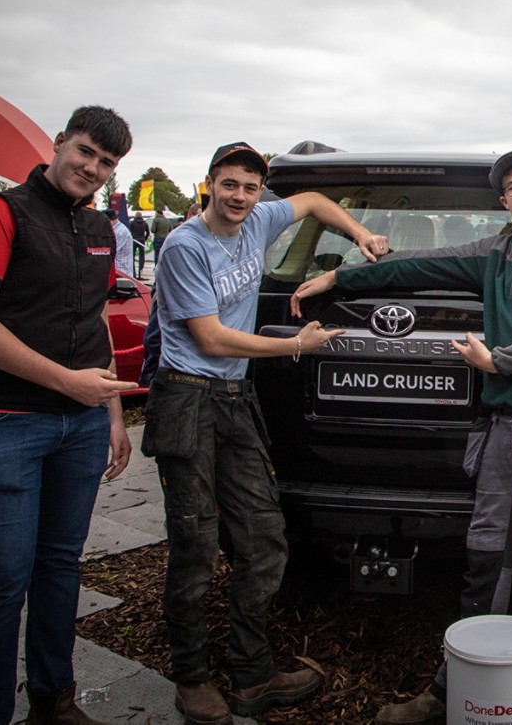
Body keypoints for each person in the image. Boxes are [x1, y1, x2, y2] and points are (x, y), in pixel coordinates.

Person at [292, 149, 512, 725]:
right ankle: (449, 690)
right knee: (485, 562)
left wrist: (500, 361)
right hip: (500, 432)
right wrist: (341, 274)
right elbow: (419, 264)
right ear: (503, 201)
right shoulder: (496, 251)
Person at [144, 142, 388, 723]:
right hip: (188, 398)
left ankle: (253, 674)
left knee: (263, 538)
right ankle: (193, 676)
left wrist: (359, 234)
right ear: (209, 184)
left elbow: (313, 201)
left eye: (250, 188)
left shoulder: (260, 219)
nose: (239, 197)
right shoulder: (185, 247)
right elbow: (210, 338)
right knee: (196, 544)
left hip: (233, 400)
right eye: (229, 185)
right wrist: (294, 346)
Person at [0, 106, 137, 725]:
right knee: (2, 582)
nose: (93, 168)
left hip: (80, 427)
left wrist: (107, 408)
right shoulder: (0, 212)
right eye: (85, 152)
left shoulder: (101, 229)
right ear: (59, 143)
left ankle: (54, 701)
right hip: (2, 423)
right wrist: (69, 384)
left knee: (60, 566)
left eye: (107, 163)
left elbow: (96, 326)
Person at [104, 208, 134, 276]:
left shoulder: (119, 232)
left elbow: (111, 251)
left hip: (121, 271)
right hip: (119, 271)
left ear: (110, 220)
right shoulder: (117, 229)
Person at [129, 212, 149, 278]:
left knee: (132, 255)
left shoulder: (132, 223)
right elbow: (148, 232)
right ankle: (141, 267)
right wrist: (144, 239)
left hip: (134, 239)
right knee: (142, 255)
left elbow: (129, 231)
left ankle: (132, 268)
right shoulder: (145, 223)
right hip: (141, 239)